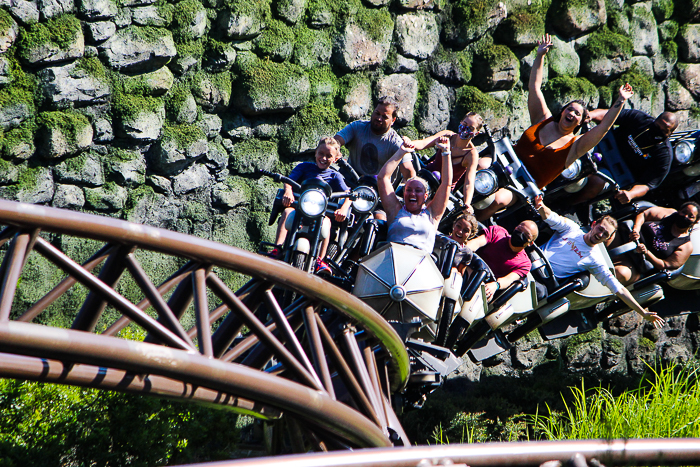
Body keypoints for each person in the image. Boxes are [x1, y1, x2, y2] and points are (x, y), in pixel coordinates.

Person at [476, 33, 634, 221]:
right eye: (570, 109)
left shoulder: (575, 146)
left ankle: (470, 222)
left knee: (498, 200)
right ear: (563, 110)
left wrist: (620, 101)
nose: (572, 114)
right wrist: (540, 55)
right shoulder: (544, 119)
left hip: (521, 186)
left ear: (581, 122)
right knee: (479, 164)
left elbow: (604, 128)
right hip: (503, 163)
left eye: (577, 114)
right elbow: (534, 87)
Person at [533, 194, 665, 328]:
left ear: (608, 239)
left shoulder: (595, 260)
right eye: (600, 229)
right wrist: (540, 206)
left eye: (606, 234)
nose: (600, 234)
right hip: (531, 260)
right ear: (594, 224)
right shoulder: (572, 228)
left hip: (543, 280)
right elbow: (550, 216)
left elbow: (619, 289)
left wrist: (642, 312)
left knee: (537, 293)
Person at [273, 137, 353, 273]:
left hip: (321, 213)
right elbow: (289, 180)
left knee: (327, 222)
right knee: (287, 212)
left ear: (335, 159)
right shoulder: (304, 167)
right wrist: (288, 191)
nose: (324, 158)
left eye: (329, 156)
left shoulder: (335, 175)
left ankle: (321, 260)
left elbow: (348, 194)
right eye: (321, 153)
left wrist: (344, 208)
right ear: (315, 153)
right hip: (300, 209)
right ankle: (277, 248)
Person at [570, 110, 679, 205]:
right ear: (655, 120)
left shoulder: (664, 156)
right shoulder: (640, 119)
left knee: (596, 182)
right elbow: (610, 115)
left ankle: (569, 204)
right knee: (577, 146)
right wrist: (591, 115)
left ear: (670, 133)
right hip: (602, 147)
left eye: (664, 130)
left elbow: (647, 184)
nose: (658, 130)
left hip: (616, 174)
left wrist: (631, 194)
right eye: (658, 126)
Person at [377, 136, 452, 254]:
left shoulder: (432, 214)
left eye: (418, 191)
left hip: (420, 265)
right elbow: (383, 178)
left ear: (426, 196)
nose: (412, 193)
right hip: (393, 260)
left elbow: (446, 184)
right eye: (409, 190)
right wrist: (401, 152)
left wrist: (446, 152)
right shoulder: (395, 211)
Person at [410, 112, 484, 210]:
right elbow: (423, 143)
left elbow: (469, 182)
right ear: (461, 122)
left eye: (470, 128)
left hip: (442, 189)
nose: (465, 129)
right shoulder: (447, 135)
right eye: (465, 124)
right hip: (426, 175)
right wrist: (409, 144)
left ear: (476, 133)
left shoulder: (471, 155)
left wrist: (467, 203)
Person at [613, 202, 699, 285]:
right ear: (679, 211)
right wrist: (636, 229)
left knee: (619, 273)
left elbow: (664, 265)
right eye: (684, 212)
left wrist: (646, 252)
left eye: (690, 216)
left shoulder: (686, 246)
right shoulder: (669, 214)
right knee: (605, 237)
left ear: (696, 221)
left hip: (636, 264)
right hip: (623, 239)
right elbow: (644, 214)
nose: (685, 216)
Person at [334, 96, 415, 181]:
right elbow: (334, 142)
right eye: (377, 113)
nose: (379, 118)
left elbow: (410, 174)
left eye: (384, 117)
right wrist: (335, 150)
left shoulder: (396, 143)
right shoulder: (357, 127)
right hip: (351, 181)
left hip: (379, 188)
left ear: (393, 120)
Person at [465, 220, 539, 302]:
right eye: (520, 229)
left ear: (530, 243)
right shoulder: (498, 232)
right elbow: (475, 243)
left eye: (525, 234)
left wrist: (495, 285)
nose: (520, 234)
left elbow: (508, 279)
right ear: (515, 228)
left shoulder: (524, 264)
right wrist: (464, 251)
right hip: (468, 266)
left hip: (484, 284)